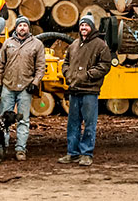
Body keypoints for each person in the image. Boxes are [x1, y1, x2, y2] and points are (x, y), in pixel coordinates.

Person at [58, 15, 112, 167]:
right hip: (74, 90)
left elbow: (105, 65)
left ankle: (86, 153)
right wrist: (67, 73)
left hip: (90, 91)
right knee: (73, 124)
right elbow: (66, 62)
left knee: (89, 124)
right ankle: (73, 153)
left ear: (92, 27)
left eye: (86, 26)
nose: (83, 28)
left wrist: (87, 75)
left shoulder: (100, 45)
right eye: (81, 26)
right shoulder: (74, 44)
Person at [0, 16, 46, 161]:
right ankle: (2, 148)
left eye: (25, 25)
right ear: (16, 28)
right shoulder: (7, 43)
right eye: (20, 25)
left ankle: (20, 149)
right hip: (8, 86)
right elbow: (0, 64)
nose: (22, 28)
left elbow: (41, 67)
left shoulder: (37, 44)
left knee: (23, 120)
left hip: (25, 87)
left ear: (28, 28)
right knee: (3, 120)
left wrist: (35, 83)